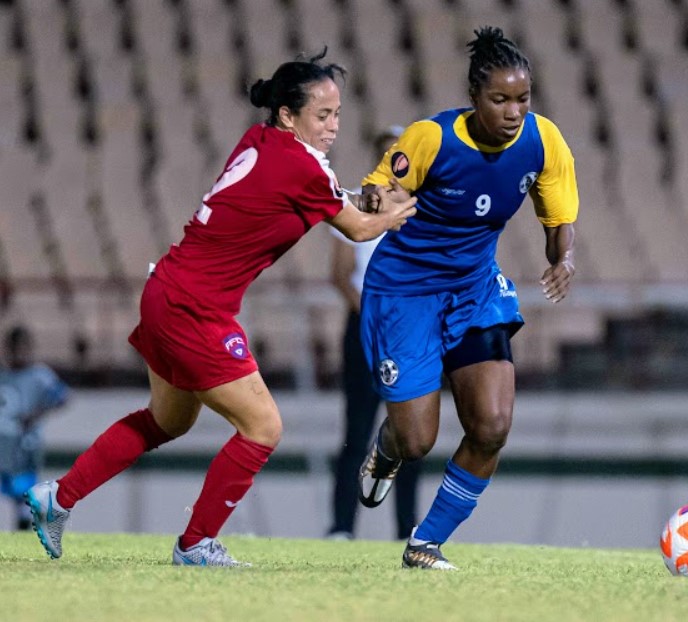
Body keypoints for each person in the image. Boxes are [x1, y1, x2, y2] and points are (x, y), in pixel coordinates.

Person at [23, 48, 417, 566]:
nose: (334, 125)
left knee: (166, 422)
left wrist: (359, 200)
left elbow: (316, 195)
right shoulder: (302, 165)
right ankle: (195, 544)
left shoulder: (260, 141)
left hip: (167, 288)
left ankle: (59, 497)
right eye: (323, 115)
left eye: (338, 113)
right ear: (287, 115)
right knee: (264, 428)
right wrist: (406, 205)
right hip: (195, 308)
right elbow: (359, 228)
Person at [356, 26, 578, 570]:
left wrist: (562, 259)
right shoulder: (431, 138)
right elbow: (384, 188)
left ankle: (425, 544)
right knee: (417, 442)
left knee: (493, 426)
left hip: (475, 290)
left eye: (522, 99)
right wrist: (377, 197)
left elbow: (559, 216)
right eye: (500, 99)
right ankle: (388, 449)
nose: (513, 111)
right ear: (474, 97)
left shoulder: (544, 140)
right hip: (404, 293)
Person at [326, 125, 423, 541]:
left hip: (407, 330)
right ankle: (342, 526)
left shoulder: (424, 214)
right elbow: (341, 275)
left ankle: (405, 528)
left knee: (410, 431)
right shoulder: (354, 210)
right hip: (366, 326)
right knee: (358, 430)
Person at [0, 326, 69, 530]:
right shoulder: (3, 375)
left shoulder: (39, 375)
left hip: (25, 444)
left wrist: (36, 414)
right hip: (2, 442)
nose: (17, 354)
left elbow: (62, 396)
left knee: (23, 492)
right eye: (13, 348)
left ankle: (23, 531)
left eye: (21, 348)